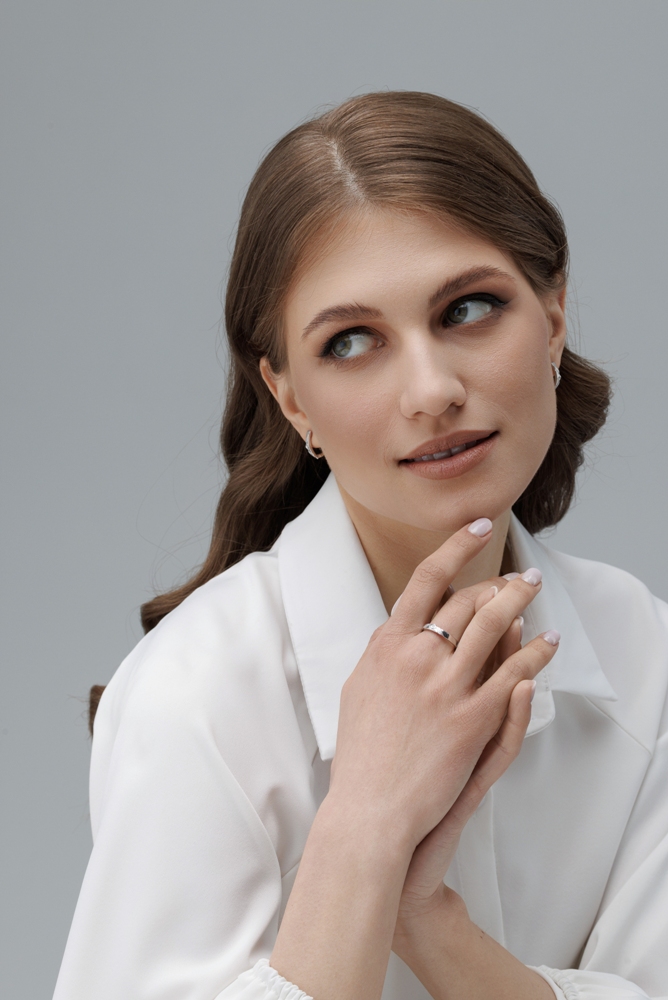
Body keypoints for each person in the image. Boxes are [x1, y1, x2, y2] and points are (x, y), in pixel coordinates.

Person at [53, 92, 668, 1000]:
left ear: (554, 315)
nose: (431, 390)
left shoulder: (643, 652)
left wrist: (429, 920)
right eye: (351, 343)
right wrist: (365, 831)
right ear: (290, 398)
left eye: (468, 309)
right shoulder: (196, 694)